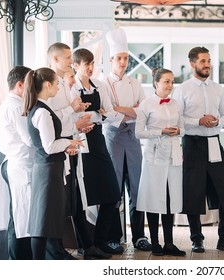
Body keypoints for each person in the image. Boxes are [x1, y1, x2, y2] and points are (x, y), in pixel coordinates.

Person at [173, 46, 224, 253]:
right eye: (203, 61)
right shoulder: (182, 89)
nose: (207, 65)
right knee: (193, 193)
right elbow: (178, 119)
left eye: (209, 61)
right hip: (192, 144)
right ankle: (196, 239)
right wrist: (199, 120)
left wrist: (216, 122)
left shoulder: (218, 88)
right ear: (193, 64)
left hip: (214, 142)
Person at [22, 67, 83, 259]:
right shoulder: (42, 112)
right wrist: (69, 142)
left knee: (45, 221)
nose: (59, 87)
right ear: (48, 85)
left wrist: (65, 147)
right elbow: (49, 146)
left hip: (48, 169)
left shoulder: (38, 108)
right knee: (42, 223)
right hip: (48, 171)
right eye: (57, 83)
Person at [101, 27, 151, 252]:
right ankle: (114, 237)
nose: (123, 62)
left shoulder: (135, 83)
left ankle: (139, 236)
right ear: (111, 59)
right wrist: (129, 111)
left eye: (126, 58)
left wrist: (120, 109)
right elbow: (107, 113)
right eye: (119, 58)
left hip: (132, 139)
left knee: (137, 189)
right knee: (114, 189)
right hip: (112, 139)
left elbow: (142, 112)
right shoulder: (102, 84)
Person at [46, 42, 98, 260]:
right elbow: (49, 118)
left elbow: (66, 116)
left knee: (72, 198)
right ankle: (56, 251)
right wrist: (73, 116)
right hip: (57, 148)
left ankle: (83, 245)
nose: (70, 61)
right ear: (55, 59)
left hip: (70, 144)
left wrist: (79, 123)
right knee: (58, 203)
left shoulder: (63, 84)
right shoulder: (48, 84)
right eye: (67, 57)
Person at [71, 48, 123, 257]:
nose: (91, 68)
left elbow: (109, 112)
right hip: (80, 142)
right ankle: (87, 245)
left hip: (98, 139)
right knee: (83, 198)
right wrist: (91, 113)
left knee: (112, 192)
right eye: (86, 64)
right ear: (76, 65)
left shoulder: (100, 85)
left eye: (93, 63)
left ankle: (101, 240)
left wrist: (102, 114)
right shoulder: (70, 87)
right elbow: (72, 115)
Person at [135, 68, 186, 256]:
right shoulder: (146, 105)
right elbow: (138, 132)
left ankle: (170, 243)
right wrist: (160, 132)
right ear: (156, 83)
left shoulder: (176, 104)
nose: (170, 85)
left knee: (170, 198)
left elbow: (184, 128)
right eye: (166, 81)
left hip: (173, 155)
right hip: (154, 156)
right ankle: (155, 242)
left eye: (172, 82)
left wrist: (177, 131)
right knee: (154, 198)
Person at [0, 66, 33, 260]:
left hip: (16, 164)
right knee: (21, 219)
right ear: (20, 85)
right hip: (20, 166)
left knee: (19, 217)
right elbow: (29, 139)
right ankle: (19, 263)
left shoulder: (12, 103)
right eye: (30, 84)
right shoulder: (16, 105)